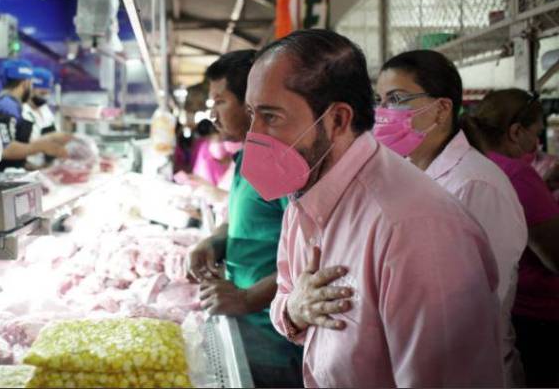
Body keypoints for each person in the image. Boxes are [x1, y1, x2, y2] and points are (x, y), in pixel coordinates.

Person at [243, 30, 503, 387]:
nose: (253, 136)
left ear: (337, 120)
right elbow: (286, 296)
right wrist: (294, 310)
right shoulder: (303, 195)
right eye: (251, 114)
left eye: (271, 117)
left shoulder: (414, 228)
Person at [374, 50, 528, 386]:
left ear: (442, 109)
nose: (383, 113)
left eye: (396, 99)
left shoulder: (476, 185)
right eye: (379, 101)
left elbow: (478, 301)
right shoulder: (406, 173)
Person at [186, 50, 303, 387]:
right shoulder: (247, 155)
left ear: (251, 102)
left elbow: (312, 255)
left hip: (276, 337)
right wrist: (214, 242)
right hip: (246, 324)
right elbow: (242, 220)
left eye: (220, 101)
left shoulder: (280, 163)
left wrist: (248, 298)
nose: (213, 114)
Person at [460, 89, 559, 387]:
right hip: (537, 314)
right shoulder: (518, 174)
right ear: (516, 132)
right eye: (535, 133)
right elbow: (555, 257)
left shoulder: (472, 163)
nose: (536, 143)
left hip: (502, 308)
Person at [0, 59, 69, 171]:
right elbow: (5, 149)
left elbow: (15, 158)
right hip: (0, 176)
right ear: (25, 83)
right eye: (31, 84)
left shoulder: (14, 106)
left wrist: (36, 169)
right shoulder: (7, 107)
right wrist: (42, 147)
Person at [22, 66, 57, 169]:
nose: (45, 97)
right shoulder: (21, 111)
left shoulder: (46, 111)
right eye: (42, 93)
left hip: (44, 170)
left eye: (47, 93)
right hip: (24, 170)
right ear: (31, 89)